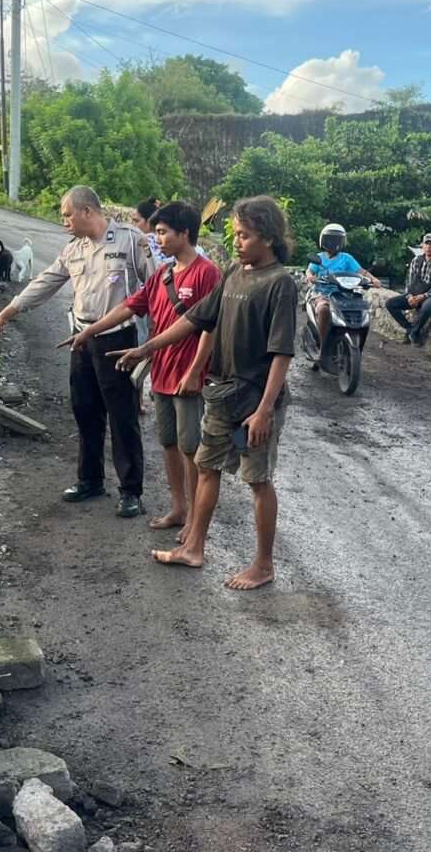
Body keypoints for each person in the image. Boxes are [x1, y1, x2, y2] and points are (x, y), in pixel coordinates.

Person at [110, 196, 296, 590]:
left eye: (245, 235)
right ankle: (194, 546)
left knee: (257, 479)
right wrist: (147, 348)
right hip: (222, 393)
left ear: (268, 237)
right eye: (236, 234)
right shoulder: (234, 272)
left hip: (255, 399)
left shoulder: (279, 283)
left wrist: (264, 411)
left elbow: (281, 355)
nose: (238, 242)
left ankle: (263, 564)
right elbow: (195, 320)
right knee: (207, 467)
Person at [0, 185, 155, 516]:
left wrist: (154, 345)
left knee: (122, 415)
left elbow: (156, 287)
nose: (65, 222)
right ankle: (90, 480)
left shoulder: (131, 241)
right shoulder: (74, 250)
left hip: (118, 339)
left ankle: (131, 490)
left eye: (68, 215)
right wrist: (5, 314)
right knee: (85, 409)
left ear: (88, 211)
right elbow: (44, 283)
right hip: (81, 339)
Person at [60, 201, 222, 536]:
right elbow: (131, 305)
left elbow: (211, 326)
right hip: (161, 373)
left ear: (185, 233)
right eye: (156, 232)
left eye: (162, 232)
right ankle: (179, 508)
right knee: (169, 443)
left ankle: (194, 519)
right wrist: (89, 331)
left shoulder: (207, 273)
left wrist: (195, 371)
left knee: (191, 448)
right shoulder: (164, 274)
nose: (156, 239)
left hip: (187, 375)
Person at [305, 223, 381, 367]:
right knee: (323, 310)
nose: (333, 243)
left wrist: (373, 279)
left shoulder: (347, 258)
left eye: (337, 240)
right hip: (322, 293)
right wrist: (310, 276)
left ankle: (354, 345)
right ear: (323, 241)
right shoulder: (319, 258)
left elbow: (361, 271)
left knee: (361, 309)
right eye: (330, 240)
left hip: (343, 295)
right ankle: (323, 347)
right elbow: (310, 271)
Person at [384, 233, 431, 346]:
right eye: (426, 244)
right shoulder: (416, 260)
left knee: (428, 307)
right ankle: (410, 328)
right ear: (422, 245)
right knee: (390, 303)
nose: (428, 247)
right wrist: (409, 296)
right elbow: (409, 281)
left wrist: (424, 296)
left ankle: (414, 333)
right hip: (415, 293)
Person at [131, 198, 170, 265]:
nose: (133, 225)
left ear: (149, 221)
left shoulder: (141, 242)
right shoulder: (168, 242)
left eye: (137, 221)